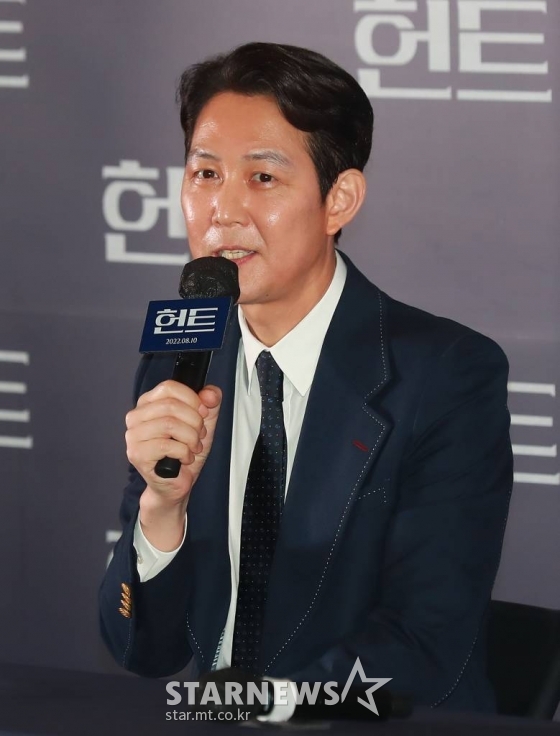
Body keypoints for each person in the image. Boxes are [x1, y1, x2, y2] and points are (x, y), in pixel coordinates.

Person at [99, 42, 512, 711]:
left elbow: (425, 641)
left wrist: (260, 705)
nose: (223, 211)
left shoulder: (445, 375)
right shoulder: (177, 362)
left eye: (262, 178)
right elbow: (142, 649)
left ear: (338, 199)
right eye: (205, 173)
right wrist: (161, 508)